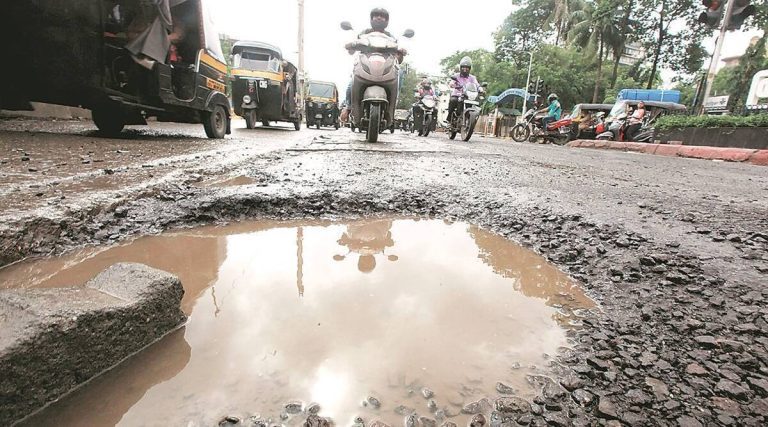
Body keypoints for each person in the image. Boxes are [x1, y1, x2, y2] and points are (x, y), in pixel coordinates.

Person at [447, 56, 481, 124]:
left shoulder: (472, 77)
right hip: (457, 94)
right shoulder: (456, 75)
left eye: (467, 67)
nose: (465, 69)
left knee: (475, 104)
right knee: (453, 100)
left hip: (468, 96)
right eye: (463, 67)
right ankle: (450, 115)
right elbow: (451, 83)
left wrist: (480, 88)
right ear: (460, 68)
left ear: (469, 68)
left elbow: (476, 84)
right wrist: (453, 85)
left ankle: (469, 120)